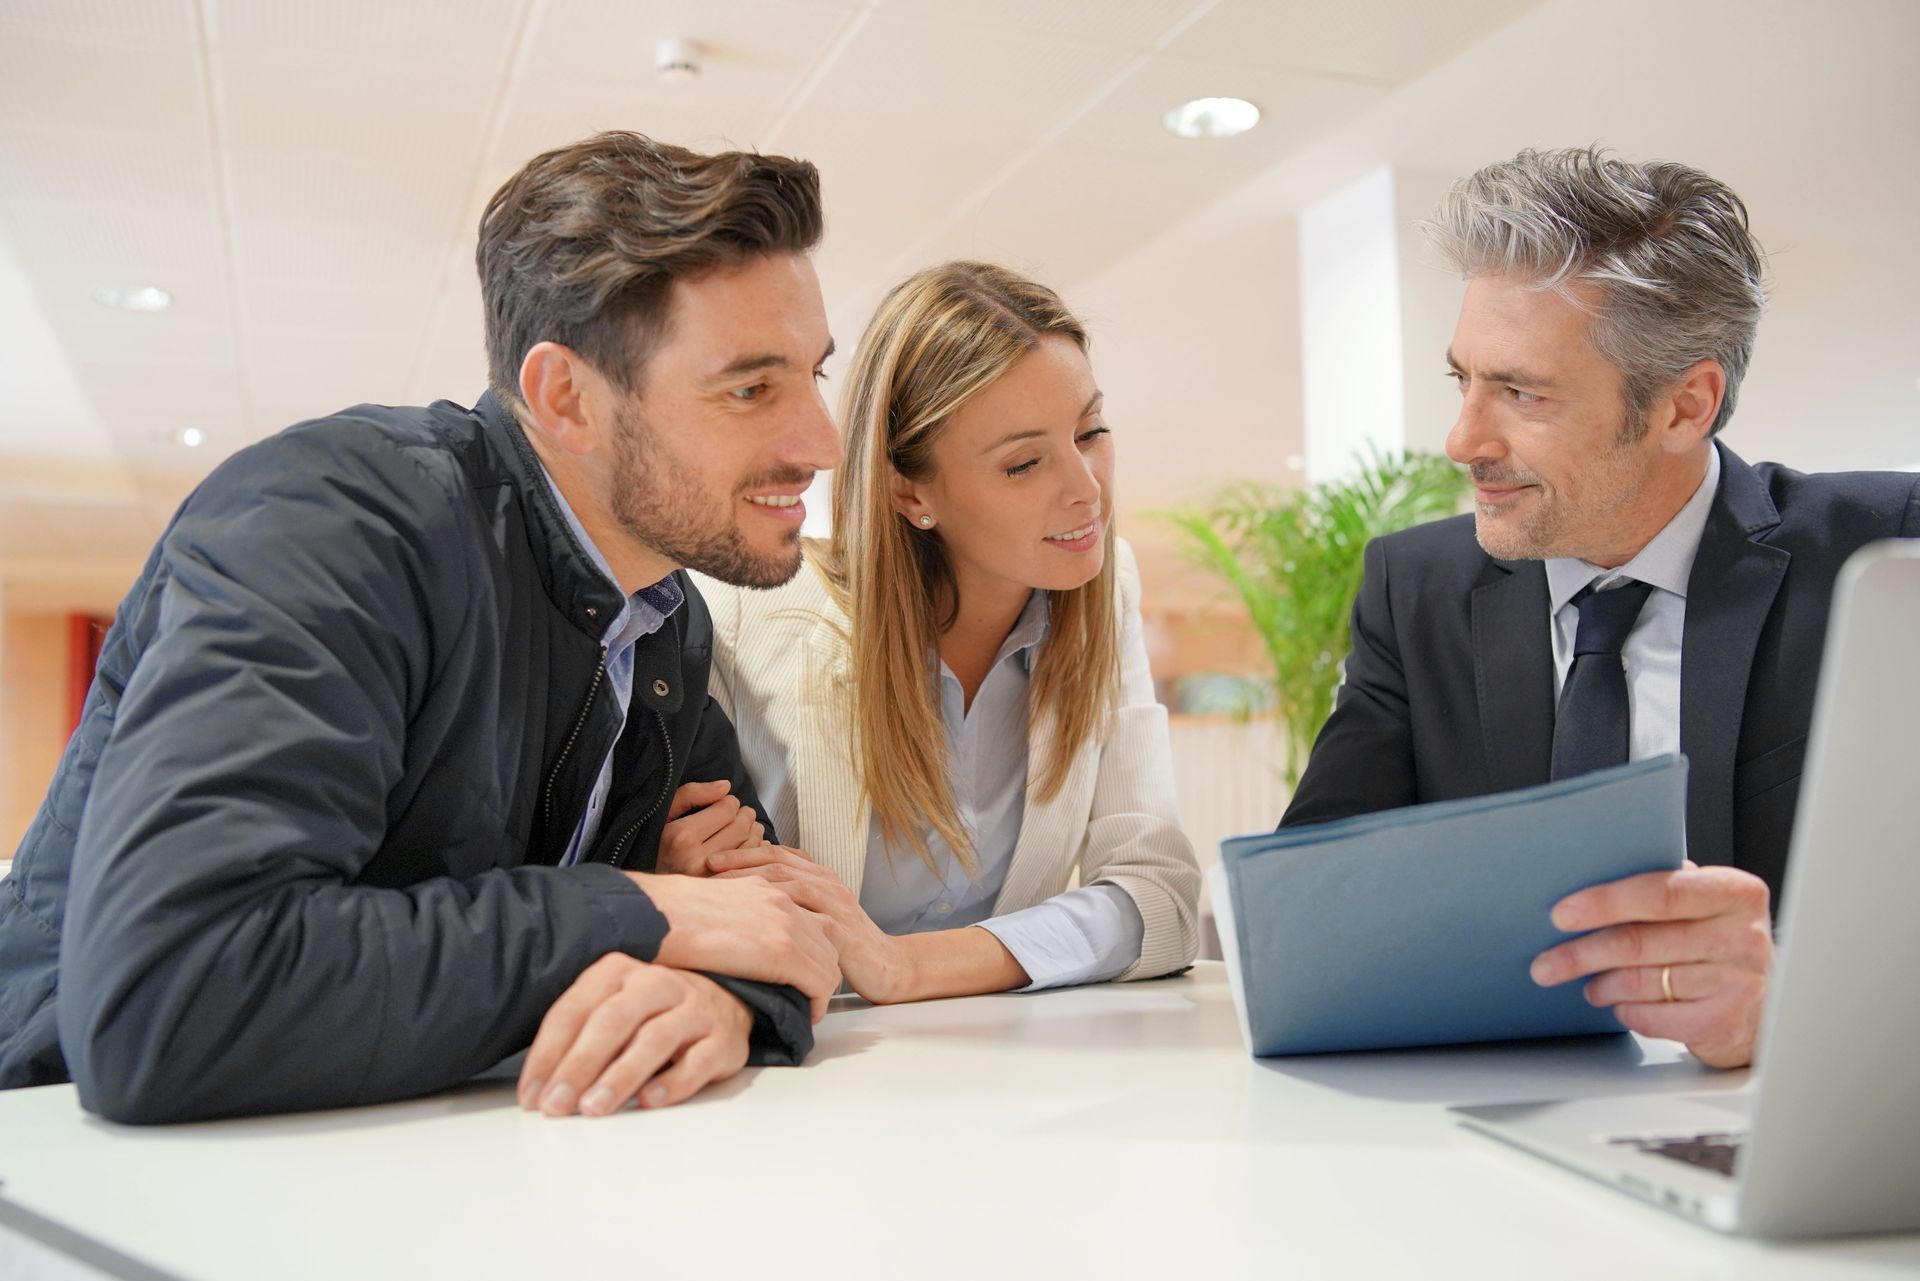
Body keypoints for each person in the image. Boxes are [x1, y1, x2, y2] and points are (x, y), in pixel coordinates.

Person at [0, 131, 848, 1123]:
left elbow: (763, 920)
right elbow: (170, 996)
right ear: (565, 397)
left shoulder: (663, 617)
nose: (819, 443)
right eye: (751, 388)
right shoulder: (333, 524)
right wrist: (641, 909)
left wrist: (711, 995)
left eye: (812, 377)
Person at [1282, 147, 1920, 1069]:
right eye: (1461, 379)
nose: (1463, 438)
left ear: (1684, 406)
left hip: (1787, 1122)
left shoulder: (1885, 555)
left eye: (1522, 391)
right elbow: (1311, 911)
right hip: (1487, 1127)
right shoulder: (1412, 587)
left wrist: (1795, 1003)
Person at [669, 262, 1200, 1002]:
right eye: (1024, 463)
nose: (1087, 488)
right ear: (909, 490)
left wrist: (909, 965)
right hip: (821, 1074)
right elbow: (705, 892)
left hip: (1007, 1061)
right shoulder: (740, 613)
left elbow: (1161, 897)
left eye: (1092, 431)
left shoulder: (1105, 596)